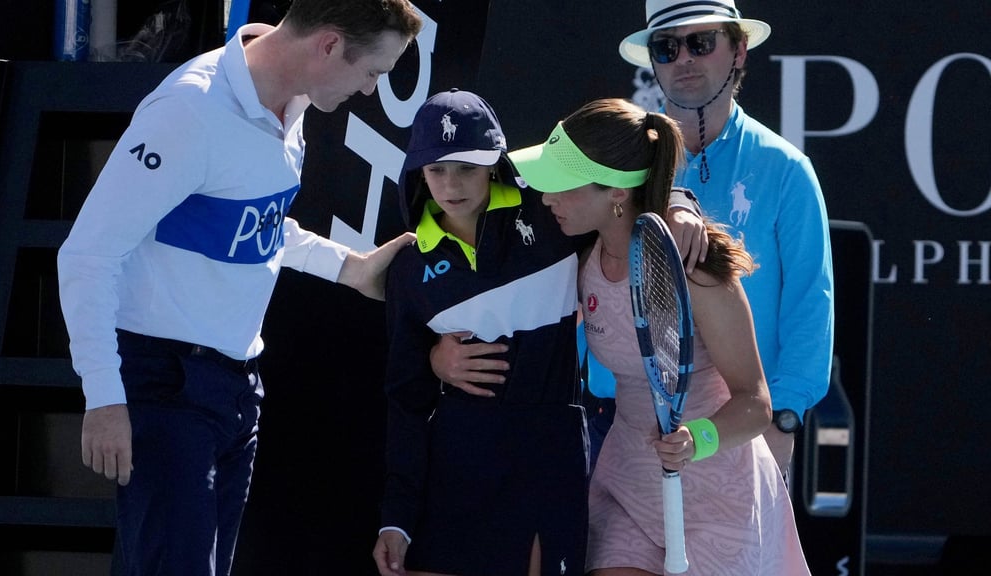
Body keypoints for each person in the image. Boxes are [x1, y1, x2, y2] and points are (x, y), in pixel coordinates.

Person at [56, 2, 423, 574]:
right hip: (165, 389)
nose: (372, 91)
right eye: (372, 72)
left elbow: (255, 222)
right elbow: (88, 254)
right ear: (328, 46)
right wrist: (104, 395)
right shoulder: (190, 111)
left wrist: (348, 267)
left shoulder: (292, 106)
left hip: (235, 393)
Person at [510, 97, 811, 575]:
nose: (546, 198)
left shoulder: (699, 273)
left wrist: (697, 439)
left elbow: (756, 404)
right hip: (627, 478)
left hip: (717, 489)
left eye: (561, 185)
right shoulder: (578, 255)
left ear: (614, 192)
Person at [372, 89, 590, 576]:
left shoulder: (551, 214)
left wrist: (678, 203)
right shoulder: (408, 268)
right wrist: (398, 518)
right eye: (436, 169)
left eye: (467, 167)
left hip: (549, 452)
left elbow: (626, 196)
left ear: (494, 164)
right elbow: (406, 400)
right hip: (457, 462)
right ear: (417, 173)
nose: (451, 184)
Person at [618, 0, 835, 474]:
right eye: (667, 46)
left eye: (701, 42)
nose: (684, 59)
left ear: (739, 51)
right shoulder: (622, 167)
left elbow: (809, 305)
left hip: (744, 434)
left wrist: (783, 417)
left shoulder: (787, 170)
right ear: (653, 60)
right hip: (629, 430)